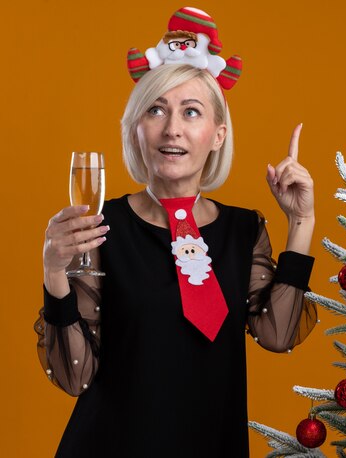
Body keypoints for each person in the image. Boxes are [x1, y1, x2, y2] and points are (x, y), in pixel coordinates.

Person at [35, 57, 317, 456]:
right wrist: (53, 272)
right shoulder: (100, 228)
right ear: (136, 131)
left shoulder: (244, 230)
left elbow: (277, 334)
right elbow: (73, 375)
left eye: (191, 111)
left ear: (218, 135)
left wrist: (301, 222)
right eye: (155, 110)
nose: (172, 129)